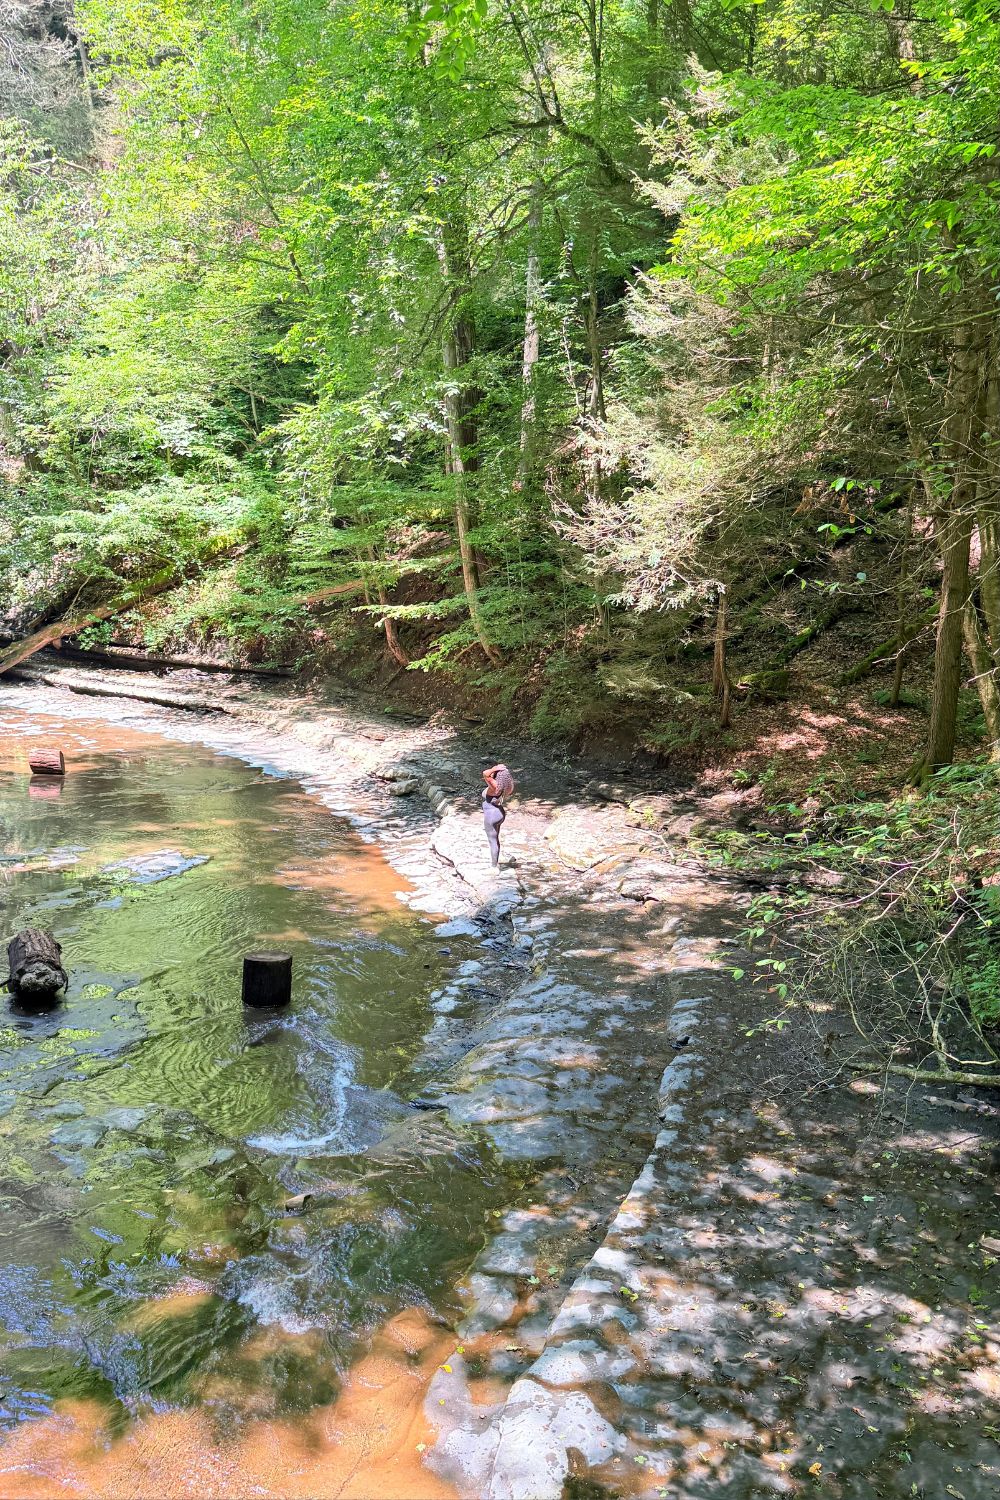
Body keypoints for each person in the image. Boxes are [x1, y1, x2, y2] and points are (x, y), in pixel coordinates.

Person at [481, 763, 515, 868]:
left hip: (491, 815)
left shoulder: (494, 786)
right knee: (495, 839)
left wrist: (494, 768)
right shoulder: (506, 786)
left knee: (492, 841)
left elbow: (485, 774)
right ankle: (496, 860)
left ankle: (493, 867)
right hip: (499, 813)